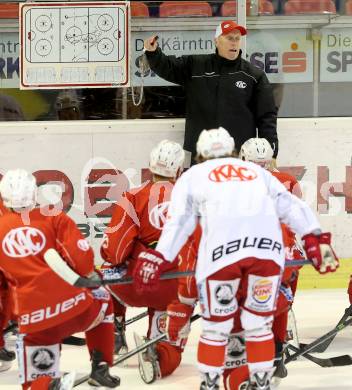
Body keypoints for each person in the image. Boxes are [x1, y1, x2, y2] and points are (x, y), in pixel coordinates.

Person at [132, 127, 339, 390]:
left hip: (222, 262)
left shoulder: (195, 177)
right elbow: (292, 209)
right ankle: (260, 377)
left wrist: (159, 259)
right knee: (256, 326)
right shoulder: (259, 175)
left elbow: (181, 230)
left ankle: (205, 381)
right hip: (267, 260)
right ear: (232, 151)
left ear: (200, 156)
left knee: (216, 328)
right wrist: (315, 239)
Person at [0, 169, 120, 390]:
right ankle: (101, 366)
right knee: (103, 296)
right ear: (34, 193)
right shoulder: (52, 215)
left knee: (35, 378)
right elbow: (82, 261)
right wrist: (91, 277)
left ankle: (46, 384)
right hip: (76, 310)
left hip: (35, 322)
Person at [101, 140, 193, 383]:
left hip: (138, 283)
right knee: (171, 342)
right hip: (179, 290)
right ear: (179, 171)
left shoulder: (132, 197)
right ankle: (160, 350)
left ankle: (115, 328)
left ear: (149, 167)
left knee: (107, 270)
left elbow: (115, 252)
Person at [143, 21, 278, 164]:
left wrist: (272, 153)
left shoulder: (254, 76)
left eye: (237, 39)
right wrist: (153, 53)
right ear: (216, 40)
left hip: (237, 158)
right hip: (200, 156)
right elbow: (168, 67)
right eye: (229, 38)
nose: (234, 43)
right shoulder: (196, 65)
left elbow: (266, 117)